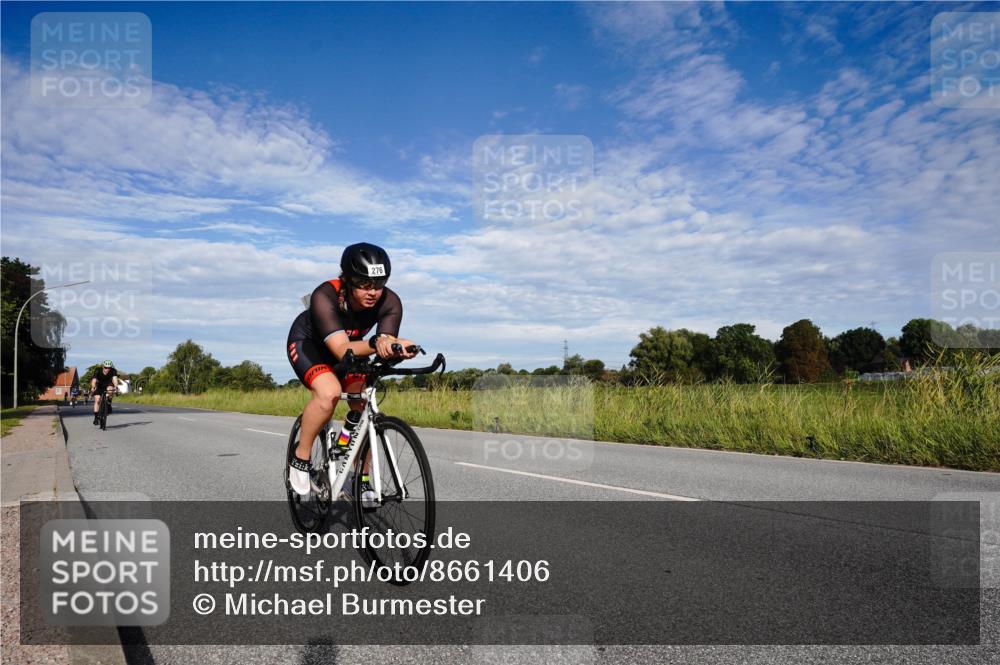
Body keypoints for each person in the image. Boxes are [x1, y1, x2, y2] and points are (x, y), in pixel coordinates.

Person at [286, 243, 417, 495]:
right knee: (329, 393)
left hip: (352, 348)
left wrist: (397, 349)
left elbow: (383, 344)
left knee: (363, 401)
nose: (373, 292)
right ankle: (300, 458)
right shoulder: (325, 295)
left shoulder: (391, 302)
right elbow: (341, 349)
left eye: (378, 284)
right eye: (364, 284)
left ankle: (360, 475)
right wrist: (376, 343)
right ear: (346, 279)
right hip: (310, 345)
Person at [91, 360, 120, 426]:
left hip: (108, 384)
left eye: (109, 368)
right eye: (105, 367)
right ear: (103, 367)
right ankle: (96, 417)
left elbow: (115, 379)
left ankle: (109, 404)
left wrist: (116, 386)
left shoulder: (113, 371)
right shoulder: (98, 370)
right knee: (97, 399)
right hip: (99, 385)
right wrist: (93, 387)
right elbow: (94, 380)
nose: (107, 369)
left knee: (110, 389)